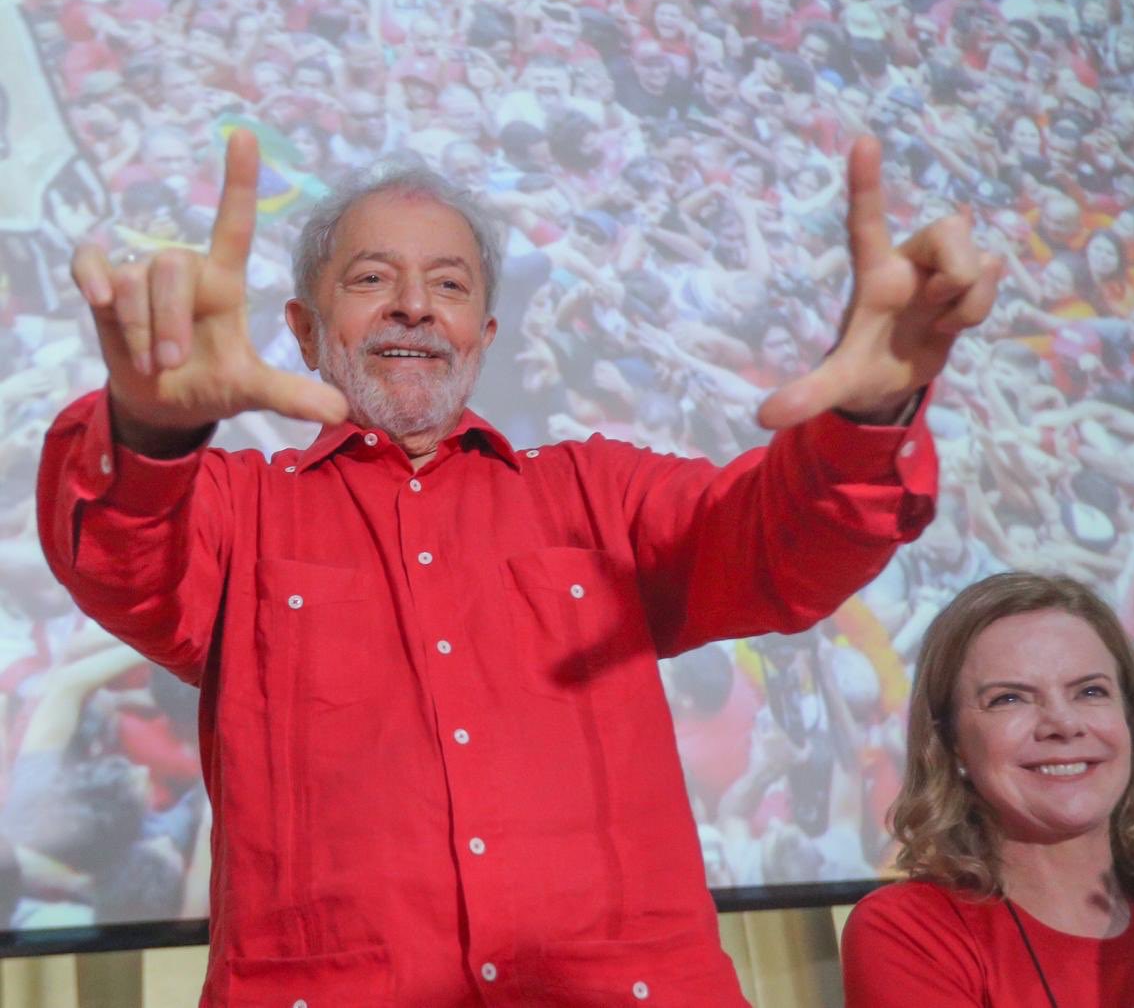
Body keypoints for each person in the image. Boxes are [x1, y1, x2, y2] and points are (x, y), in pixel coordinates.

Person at [39, 128, 999, 1006]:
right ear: (301, 328)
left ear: (486, 336)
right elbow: (119, 558)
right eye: (373, 277)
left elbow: (781, 549)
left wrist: (872, 417)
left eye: (451, 285)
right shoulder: (232, 510)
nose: (416, 304)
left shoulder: (602, 495)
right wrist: (151, 429)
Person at [842, 572, 1134, 1008]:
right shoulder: (908, 931)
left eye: (1090, 691)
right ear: (950, 741)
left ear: (1132, 720)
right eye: (1009, 699)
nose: (1064, 724)